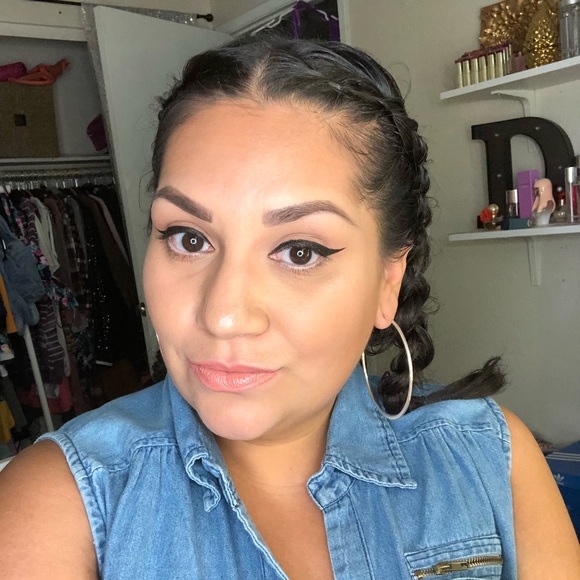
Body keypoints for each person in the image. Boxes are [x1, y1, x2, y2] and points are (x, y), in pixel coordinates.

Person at [0, 36, 578, 579]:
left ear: (388, 282)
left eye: (300, 251)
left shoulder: (490, 457)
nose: (224, 315)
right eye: (189, 238)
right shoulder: (62, 501)